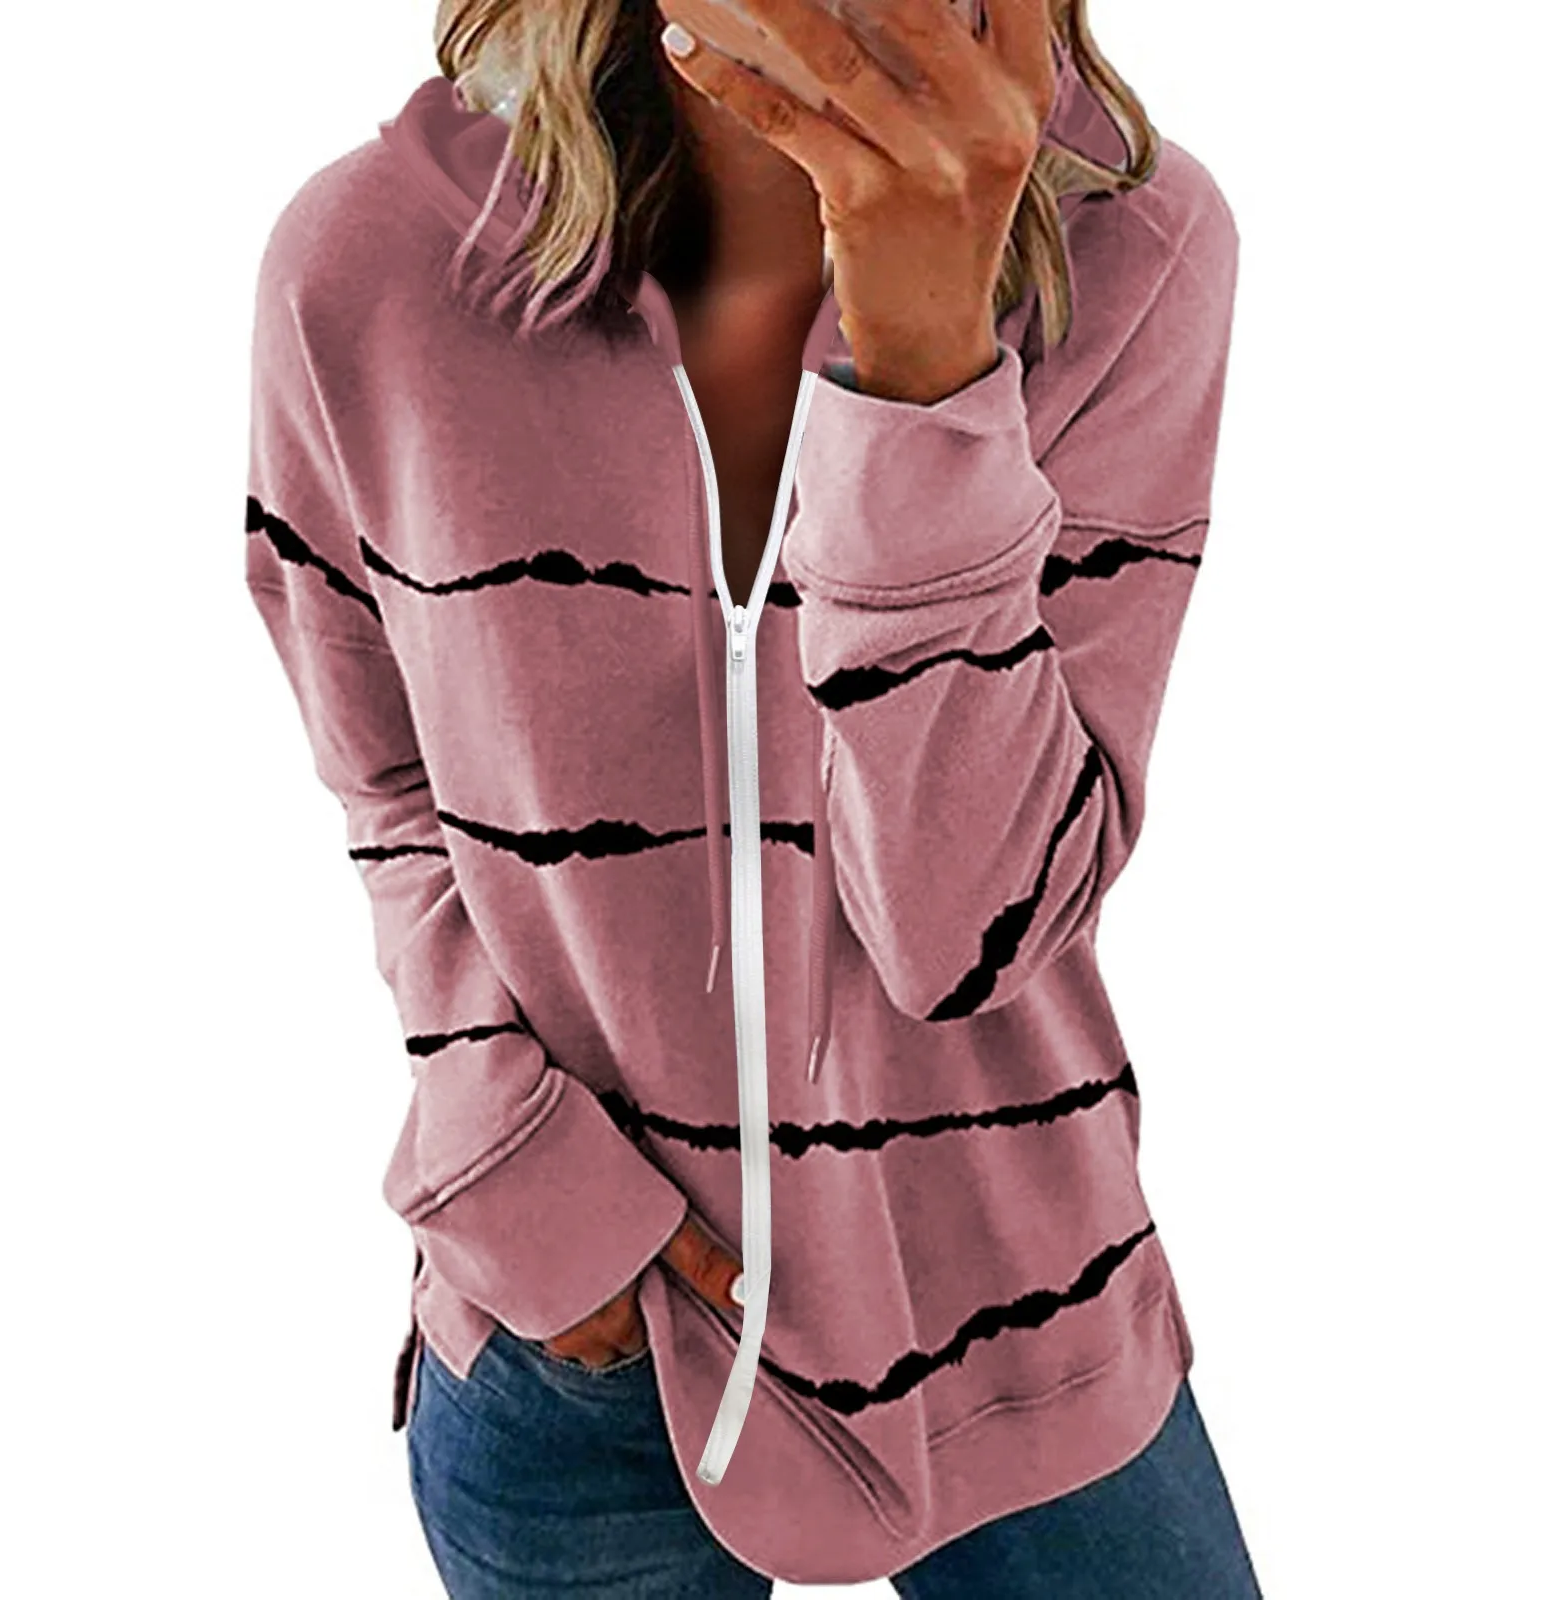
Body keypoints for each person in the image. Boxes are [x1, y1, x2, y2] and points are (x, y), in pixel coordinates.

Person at [242, 0, 1258, 1591]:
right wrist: (517, 1166)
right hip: (581, 1340)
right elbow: (389, 780)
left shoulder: (1139, 248)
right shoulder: (368, 263)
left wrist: (926, 378)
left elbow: (966, 934)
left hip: (1015, 1301)